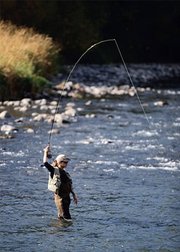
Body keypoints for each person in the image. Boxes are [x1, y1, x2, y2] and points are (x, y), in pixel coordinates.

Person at [43, 145, 78, 221]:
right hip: (60, 198)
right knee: (66, 217)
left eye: (67, 162)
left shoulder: (65, 172)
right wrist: (45, 152)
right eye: (65, 162)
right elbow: (45, 163)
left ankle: (61, 230)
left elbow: (69, 184)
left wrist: (74, 195)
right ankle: (64, 231)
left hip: (66, 197)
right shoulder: (54, 170)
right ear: (59, 162)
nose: (66, 164)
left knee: (62, 217)